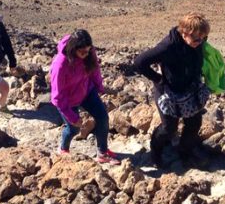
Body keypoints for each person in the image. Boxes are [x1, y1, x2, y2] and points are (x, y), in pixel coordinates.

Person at [134, 12, 212, 168]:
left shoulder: (197, 42)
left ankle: (185, 151)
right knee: (169, 127)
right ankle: (155, 152)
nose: (200, 41)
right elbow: (139, 62)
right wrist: (158, 80)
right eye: (197, 38)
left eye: (204, 38)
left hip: (189, 89)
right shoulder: (168, 46)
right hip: (168, 91)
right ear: (184, 33)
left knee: (194, 123)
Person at [50, 30, 118, 164]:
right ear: (73, 49)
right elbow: (57, 96)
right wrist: (72, 117)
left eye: (88, 50)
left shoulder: (88, 51)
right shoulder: (61, 64)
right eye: (83, 52)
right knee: (73, 128)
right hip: (68, 99)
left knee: (103, 117)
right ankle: (63, 149)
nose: (86, 54)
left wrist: (99, 86)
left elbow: (95, 68)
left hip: (86, 90)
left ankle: (102, 153)